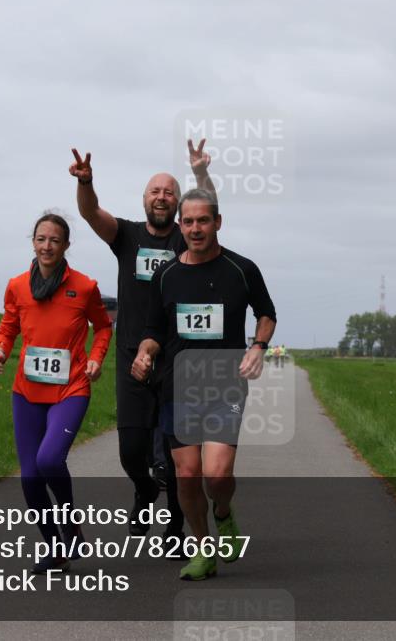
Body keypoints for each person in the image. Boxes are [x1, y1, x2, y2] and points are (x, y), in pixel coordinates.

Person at [70, 140, 214, 554]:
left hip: (175, 359)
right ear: (145, 199)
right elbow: (89, 213)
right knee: (132, 451)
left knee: (175, 450)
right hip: (131, 356)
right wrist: (87, 183)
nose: (163, 197)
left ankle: (174, 529)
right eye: (156, 191)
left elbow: (208, 211)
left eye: (170, 191)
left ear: (178, 201)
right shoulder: (127, 236)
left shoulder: (187, 240)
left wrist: (201, 174)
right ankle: (143, 489)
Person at [132, 188, 276, 581]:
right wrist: (145, 353)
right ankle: (202, 549)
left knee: (216, 475)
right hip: (178, 387)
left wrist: (258, 346)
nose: (196, 229)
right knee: (188, 474)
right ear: (181, 226)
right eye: (189, 222)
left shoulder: (241, 269)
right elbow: (153, 331)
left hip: (225, 384)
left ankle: (224, 513)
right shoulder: (166, 276)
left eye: (203, 221)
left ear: (217, 223)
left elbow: (266, 313)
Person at [0, 213, 113, 574]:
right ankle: (55, 547)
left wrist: (95, 358)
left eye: (54, 240)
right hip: (26, 393)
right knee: (29, 477)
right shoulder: (17, 286)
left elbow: (103, 327)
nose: (47, 246)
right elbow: (8, 327)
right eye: (41, 239)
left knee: (49, 461)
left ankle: (70, 523)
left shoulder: (84, 287)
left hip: (70, 389)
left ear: (66, 245)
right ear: (33, 242)